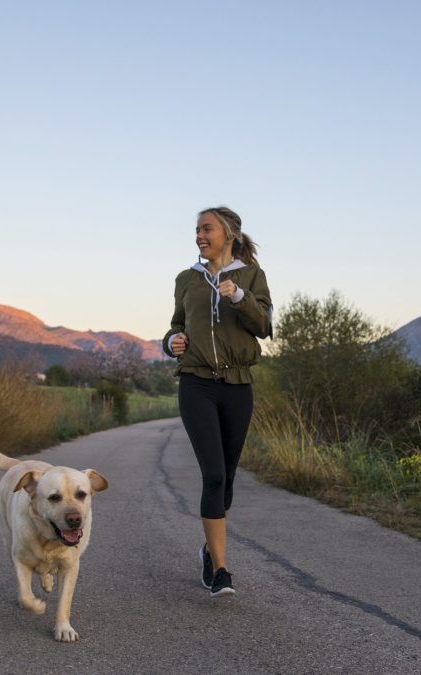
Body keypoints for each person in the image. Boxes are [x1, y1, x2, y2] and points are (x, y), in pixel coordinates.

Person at [162, 206, 272, 597]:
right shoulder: (185, 280)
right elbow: (177, 324)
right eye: (197, 230)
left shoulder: (251, 276)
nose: (199, 236)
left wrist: (239, 296)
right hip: (197, 384)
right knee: (212, 474)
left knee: (226, 477)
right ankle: (222, 570)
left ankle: (210, 549)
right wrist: (171, 343)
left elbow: (265, 326)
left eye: (206, 229)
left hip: (238, 386)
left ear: (228, 233)